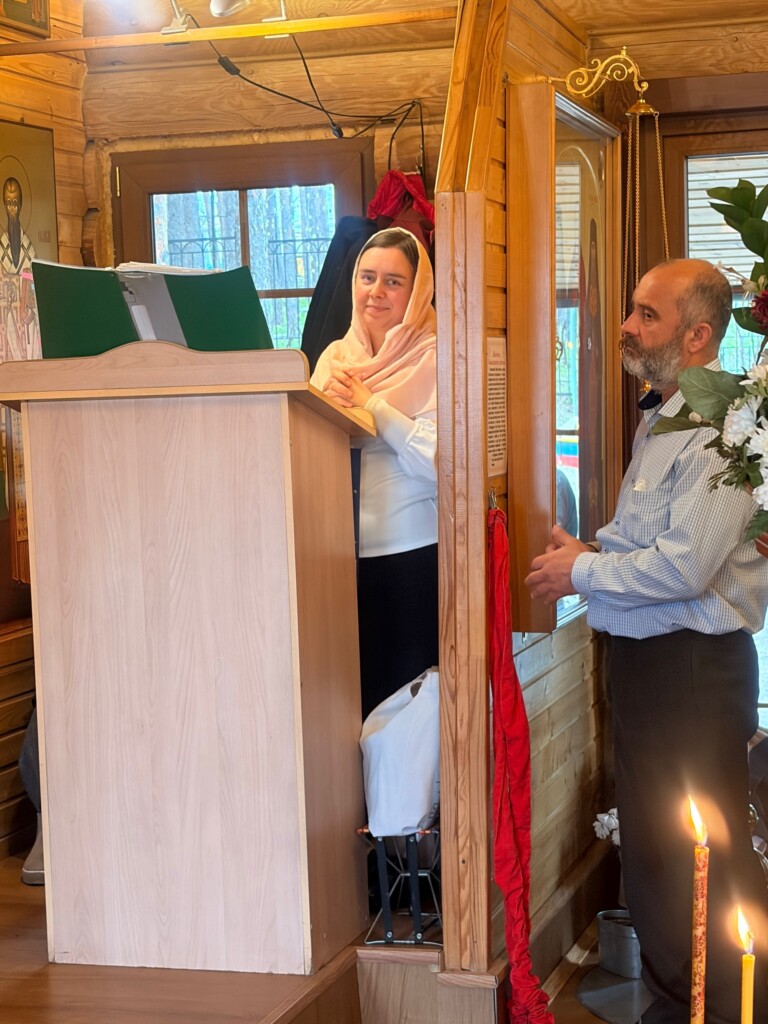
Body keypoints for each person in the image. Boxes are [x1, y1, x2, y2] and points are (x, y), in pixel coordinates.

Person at [525, 258, 768, 1024]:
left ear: (698, 335)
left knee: (698, 859)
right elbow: (647, 541)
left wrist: (582, 571)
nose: (627, 327)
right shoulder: (663, 416)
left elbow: (687, 567)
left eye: (647, 315)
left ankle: (723, 1011)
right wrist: (587, 553)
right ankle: (678, 1003)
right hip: (651, 666)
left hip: (691, 671)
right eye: (633, 310)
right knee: (658, 857)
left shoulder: (729, 432)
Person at [310, 227, 438, 720]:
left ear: (417, 291)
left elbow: (438, 465)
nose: (376, 292)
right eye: (367, 278)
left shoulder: (435, 356)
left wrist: (373, 407)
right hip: (334, 560)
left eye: (393, 281)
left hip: (409, 558)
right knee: (344, 710)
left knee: (401, 714)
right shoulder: (334, 360)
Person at [0, 176, 39, 362]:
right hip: (5, 309)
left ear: (21, 205)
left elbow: (29, 275)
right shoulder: (2, 245)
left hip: (23, 309)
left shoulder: (27, 246)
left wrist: (24, 306)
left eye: (15, 203)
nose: (12, 210)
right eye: (8, 204)